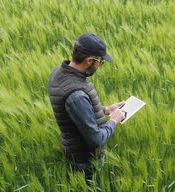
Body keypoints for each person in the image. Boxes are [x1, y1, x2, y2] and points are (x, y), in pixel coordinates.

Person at [47, 33, 126, 182]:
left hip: (73, 149)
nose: (99, 65)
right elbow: (96, 139)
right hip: (85, 161)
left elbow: (74, 110)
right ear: (90, 60)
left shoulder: (58, 72)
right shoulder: (76, 95)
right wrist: (114, 121)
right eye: (100, 62)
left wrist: (107, 110)